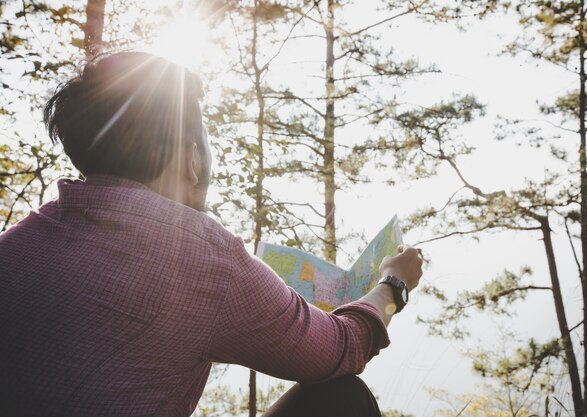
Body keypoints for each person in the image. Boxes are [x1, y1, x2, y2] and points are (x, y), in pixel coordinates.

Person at [0, 52, 424, 417]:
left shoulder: (14, 247)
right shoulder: (206, 261)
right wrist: (393, 284)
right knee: (341, 397)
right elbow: (343, 346)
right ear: (191, 159)